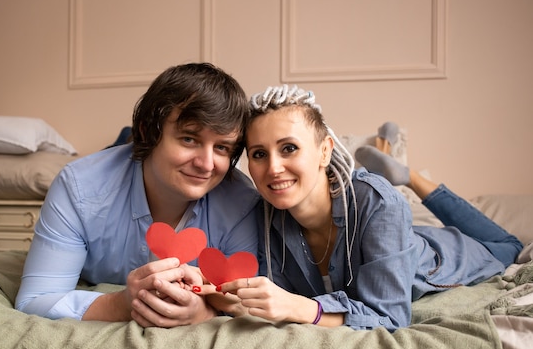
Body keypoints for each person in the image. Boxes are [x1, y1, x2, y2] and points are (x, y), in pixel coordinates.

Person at [213, 84, 523, 331]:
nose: (274, 168)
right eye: (258, 154)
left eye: (289, 148)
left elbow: (389, 317)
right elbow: (271, 300)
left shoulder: (378, 201)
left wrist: (300, 308)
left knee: (511, 246)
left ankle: (409, 177)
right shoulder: (264, 217)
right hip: (396, 233)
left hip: (446, 253)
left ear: (324, 152)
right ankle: (383, 149)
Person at [15, 62, 260, 328]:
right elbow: (35, 300)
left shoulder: (242, 202)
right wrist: (120, 304)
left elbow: (246, 302)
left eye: (222, 147)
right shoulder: (79, 187)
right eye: (189, 139)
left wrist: (204, 313)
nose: (207, 163)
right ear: (148, 131)